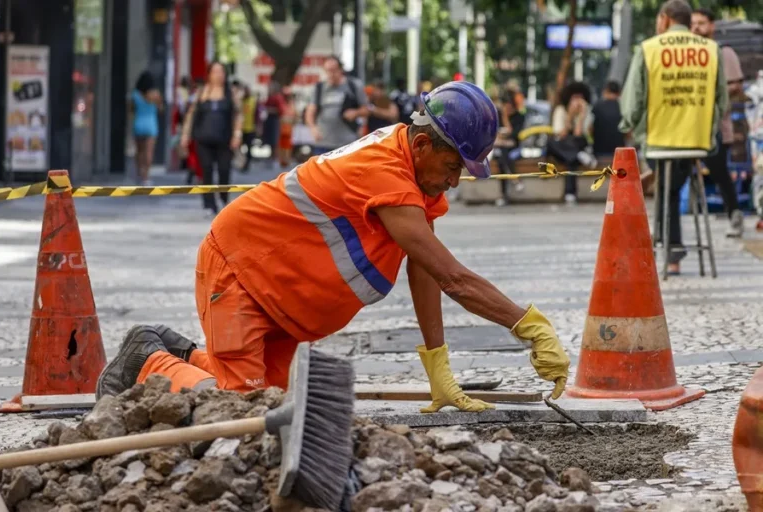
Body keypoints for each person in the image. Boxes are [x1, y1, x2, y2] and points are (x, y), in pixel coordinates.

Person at [96, 81, 570, 413]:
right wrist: (526, 325)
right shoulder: (387, 173)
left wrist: (438, 367)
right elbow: (453, 277)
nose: (454, 180)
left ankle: (176, 352)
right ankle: (149, 362)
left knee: (275, 410)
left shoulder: (416, 176)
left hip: (277, 298)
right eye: (453, 166)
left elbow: (424, 265)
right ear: (423, 144)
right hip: (242, 272)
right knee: (237, 414)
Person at [619, 0, 727, 276]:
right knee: (671, 187)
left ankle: (671, 250)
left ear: (665, 19)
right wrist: (706, 128)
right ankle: (672, 249)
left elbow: (633, 102)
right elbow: (721, 102)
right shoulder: (711, 50)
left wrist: (630, 125)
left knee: (665, 187)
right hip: (697, 142)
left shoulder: (649, 49)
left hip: (659, 141)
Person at [691, 7, 746, 238]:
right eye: (693, 23)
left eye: (701, 23)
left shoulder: (724, 53)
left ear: (712, 26)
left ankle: (734, 214)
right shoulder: (687, 54)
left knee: (719, 171)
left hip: (717, 126)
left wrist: (715, 92)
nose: (696, 28)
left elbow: (737, 86)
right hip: (690, 125)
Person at [180, 61, 244, 218]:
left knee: (224, 169)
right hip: (203, 139)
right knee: (206, 170)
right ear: (209, 74)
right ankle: (209, 204)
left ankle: (223, 199)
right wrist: (185, 135)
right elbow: (190, 115)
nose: (218, 75)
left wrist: (237, 134)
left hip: (224, 139)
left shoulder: (231, 93)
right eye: (214, 71)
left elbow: (238, 115)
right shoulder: (201, 92)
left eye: (221, 71)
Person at [304, 56, 369, 155]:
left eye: (333, 70)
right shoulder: (319, 88)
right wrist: (313, 128)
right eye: (328, 71)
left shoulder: (354, 85)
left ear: (340, 69)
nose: (331, 74)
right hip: (324, 142)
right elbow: (310, 111)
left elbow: (366, 109)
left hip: (348, 142)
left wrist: (356, 112)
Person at [547, 82, 596, 205]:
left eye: (580, 97)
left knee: (571, 158)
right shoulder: (560, 111)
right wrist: (570, 116)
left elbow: (578, 135)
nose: (578, 101)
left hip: (575, 145)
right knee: (552, 142)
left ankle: (570, 193)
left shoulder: (587, 111)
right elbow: (560, 135)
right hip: (562, 145)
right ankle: (579, 155)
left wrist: (580, 117)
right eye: (575, 98)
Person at [130, 71, 163, 186]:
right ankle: (146, 176)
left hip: (138, 123)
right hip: (151, 123)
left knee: (139, 151)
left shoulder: (135, 95)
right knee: (149, 152)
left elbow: (131, 110)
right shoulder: (155, 94)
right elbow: (160, 109)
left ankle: (139, 173)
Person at [589, 81, 625, 157]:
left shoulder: (596, 107)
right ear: (619, 93)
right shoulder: (623, 108)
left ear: (605, 91)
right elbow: (628, 133)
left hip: (599, 152)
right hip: (619, 154)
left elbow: (590, 130)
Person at [241, 86, 261, 172]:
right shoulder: (239, 100)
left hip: (250, 128)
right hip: (240, 128)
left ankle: (247, 164)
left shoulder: (253, 101)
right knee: (240, 148)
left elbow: (257, 115)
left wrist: (258, 126)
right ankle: (241, 162)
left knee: (249, 147)